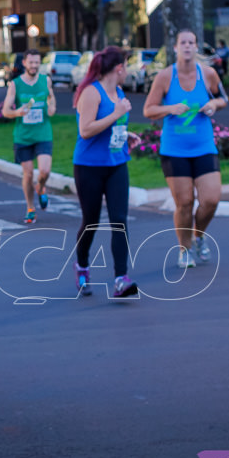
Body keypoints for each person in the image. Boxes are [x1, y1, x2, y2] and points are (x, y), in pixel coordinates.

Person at [143, 28, 227, 268]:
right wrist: (170, 109)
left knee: (211, 199)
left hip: (203, 146)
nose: (188, 46)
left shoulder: (208, 74)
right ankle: (184, 248)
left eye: (192, 42)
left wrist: (213, 104)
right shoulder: (165, 77)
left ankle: (198, 236)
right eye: (183, 42)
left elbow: (223, 98)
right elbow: (148, 109)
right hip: (174, 150)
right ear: (176, 48)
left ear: (197, 47)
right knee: (185, 203)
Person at [71, 46, 142, 299]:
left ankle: (121, 279)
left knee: (119, 220)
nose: (129, 71)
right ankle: (81, 264)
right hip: (89, 166)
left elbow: (113, 126)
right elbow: (86, 130)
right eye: (127, 66)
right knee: (91, 221)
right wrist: (116, 114)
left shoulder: (119, 91)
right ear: (118, 68)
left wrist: (126, 136)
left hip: (116, 164)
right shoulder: (92, 92)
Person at [1, 49, 56, 223]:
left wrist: (51, 107)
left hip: (43, 133)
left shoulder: (45, 80)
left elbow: (51, 98)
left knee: (45, 171)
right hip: (23, 136)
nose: (34, 66)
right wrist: (17, 112)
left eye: (37, 62)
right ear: (24, 63)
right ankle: (31, 208)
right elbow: (5, 111)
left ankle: (41, 187)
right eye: (31, 62)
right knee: (28, 174)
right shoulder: (15, 84)